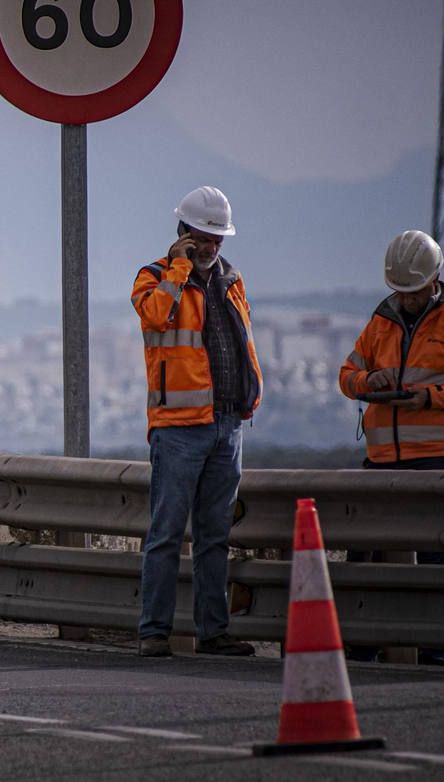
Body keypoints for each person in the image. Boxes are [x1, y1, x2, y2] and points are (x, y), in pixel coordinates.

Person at [338, 230, 444, 666]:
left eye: (414, 291)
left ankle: (436, 653)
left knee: (434, 560)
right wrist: (368, 381)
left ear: (434, 281)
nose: (407, 299)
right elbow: (347, 376)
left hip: (437, 457)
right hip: (382, 462)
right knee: (365, 559)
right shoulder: (380, 323)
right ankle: (364, 650)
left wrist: (430, 398)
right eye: (400, 291)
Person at [130, 186, 262, 658]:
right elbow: (154, 317)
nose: (210, 247)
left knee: (214, 538)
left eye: (217, 239)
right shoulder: (154, 277)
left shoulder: (231, 280)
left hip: (227, 424)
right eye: (202, 238)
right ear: (183, 233)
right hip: (178, 428)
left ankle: (213, 631)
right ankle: (154, 632)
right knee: (166, 534)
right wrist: (179, 268)